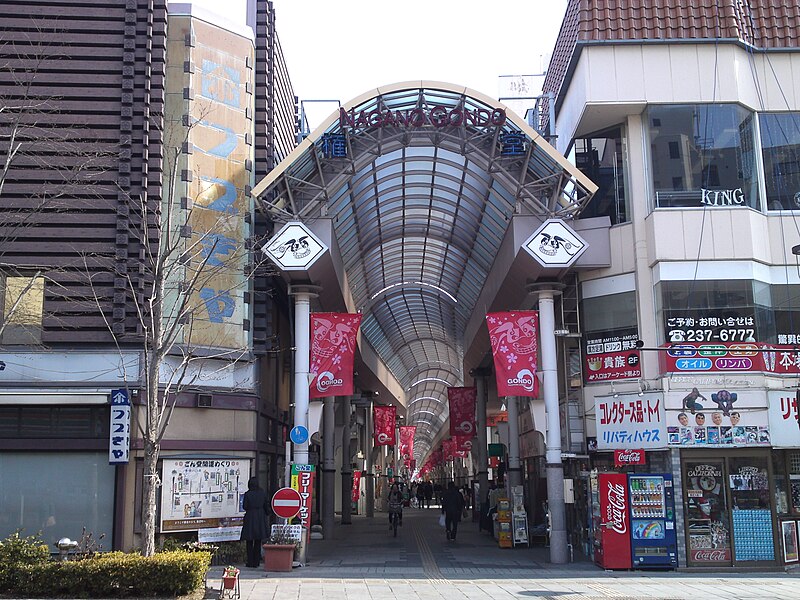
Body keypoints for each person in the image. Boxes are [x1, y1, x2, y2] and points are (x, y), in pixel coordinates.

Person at [240, 476, 269, 568]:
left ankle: (250, 561)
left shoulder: (247, 494)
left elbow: (245, 506)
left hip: (250, 517)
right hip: (260, 517)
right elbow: (266, 506)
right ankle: (256, 562)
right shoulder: (262, 493)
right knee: (258, 540)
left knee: (249, 541)